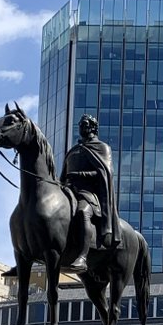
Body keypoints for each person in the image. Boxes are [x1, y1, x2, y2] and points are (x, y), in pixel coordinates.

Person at [61, 115, 120, 272]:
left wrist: (80, 175)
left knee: (82, 212)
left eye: (85, 124)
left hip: (89, 194)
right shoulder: (73, 151)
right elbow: (63, 176)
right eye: (80, 124)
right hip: (68, 190)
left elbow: (104, 174)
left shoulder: (102, 148)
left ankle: (82, 257)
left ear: (93, 127)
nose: (81, 127)